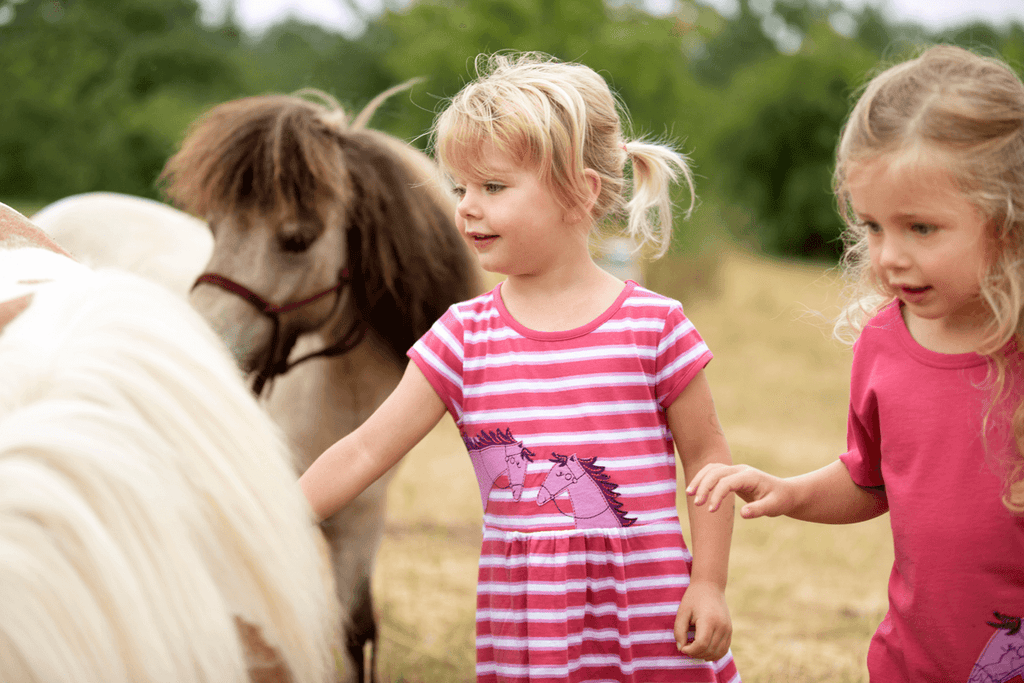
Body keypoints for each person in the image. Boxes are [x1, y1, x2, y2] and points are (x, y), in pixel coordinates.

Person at [300, 52, 741, 682]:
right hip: (530, 625)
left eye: (494, 187)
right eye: (461, 188)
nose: (467, 208)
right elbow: (365, 450)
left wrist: (711, 583)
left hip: (653, 616)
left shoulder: (655, 328)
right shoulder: (461, 338)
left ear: (580, 193)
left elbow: (708, 461)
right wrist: (272, 521)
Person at [687, 44, 1024, 682]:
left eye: (921, 228)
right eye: (872, 227)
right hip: (912, 664)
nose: (888, 256)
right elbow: (873, 478)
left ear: (1008, 220)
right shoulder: (883, 344)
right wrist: (792, 493)